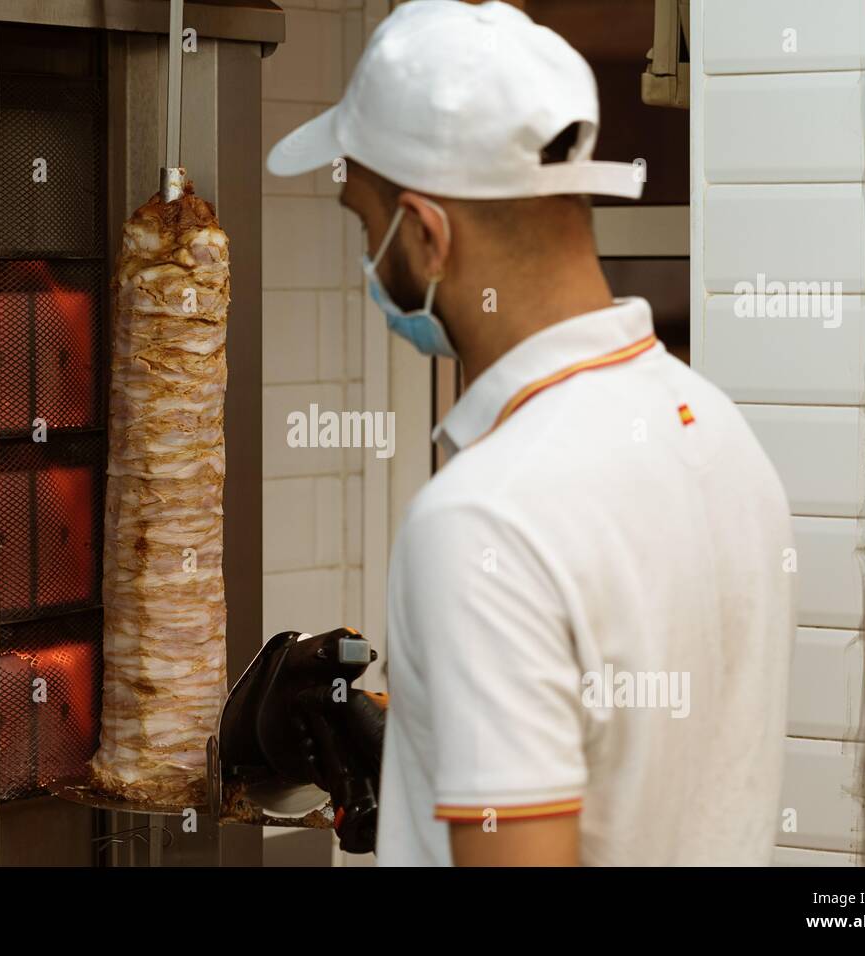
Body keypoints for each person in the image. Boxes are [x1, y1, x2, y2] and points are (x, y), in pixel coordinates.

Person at [266, 0, 795, 866]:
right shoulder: (716, 433)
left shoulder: (485, 519)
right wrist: (434, 739)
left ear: (428, 234)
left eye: (368, 224)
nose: (369, 257)